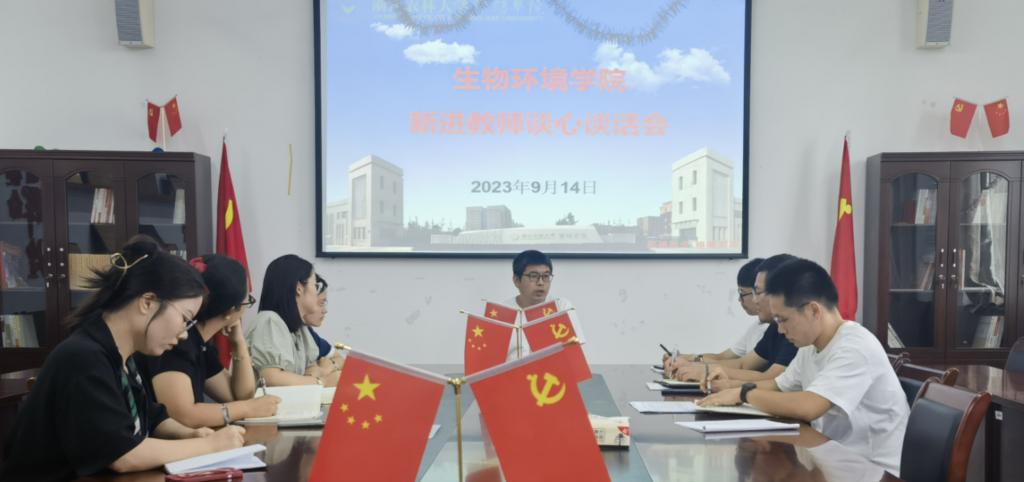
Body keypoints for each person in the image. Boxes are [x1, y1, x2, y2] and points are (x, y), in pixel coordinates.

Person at [0, 237, 245, 481]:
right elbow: (123, 455)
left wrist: (189, 435)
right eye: (185, 319)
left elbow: (152, 416)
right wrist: (211, 446)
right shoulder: (84, 358)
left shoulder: (120, 355)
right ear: (147, 302)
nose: (184, 334)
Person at [699, 258, 909, 475]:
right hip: (833, 460)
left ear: (813, 311)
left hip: (873, 471)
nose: (780, 330)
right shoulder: (810, 346)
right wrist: (728, 387)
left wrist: (744, 394)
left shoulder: (855, 347)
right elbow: (778, 385)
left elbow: (809, 406)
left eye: (783, 320)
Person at [137, 254, 281, 428]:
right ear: (231, 310)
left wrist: (238, 344)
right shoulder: (176, 341)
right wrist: (247, 408)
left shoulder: (200, 342)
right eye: (247, 301)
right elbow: (182, 415)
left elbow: (238, 395)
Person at [668, 254, 799, 386]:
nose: (755, 300)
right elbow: (743, 364)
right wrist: (695, 367)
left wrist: (705, 371)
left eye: (758, 293)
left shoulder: (797, 331)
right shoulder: (774, 327)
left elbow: (773, 380)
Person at [246, 254, 340, 387]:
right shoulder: (269, 320)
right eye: (315, 286)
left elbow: (311, 369)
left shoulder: (300, 329)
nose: (317, 293)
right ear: (299, 288)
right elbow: (272, 378)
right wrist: (322, 382)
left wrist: (317, 371)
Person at [661, 257, 766, 363]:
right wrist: (683, 357)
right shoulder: (756, 327)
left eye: (742, 293)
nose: (739, 299)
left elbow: (742, 366)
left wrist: (693, 364)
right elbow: (723, 357)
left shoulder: (768, 330)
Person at [504, 249, 585, 360]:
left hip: (553, 370)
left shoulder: (561, 307)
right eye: (533, 276)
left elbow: (574, 353)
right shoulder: (501, 312)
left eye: (546, 276)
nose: (541, 283)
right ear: (516, 280)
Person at [307, 275, 345, 373]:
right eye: (320, 303)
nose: (325, 310)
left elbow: (339, 359)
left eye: (324, 303)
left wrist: (329, 368)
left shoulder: (308, 333)